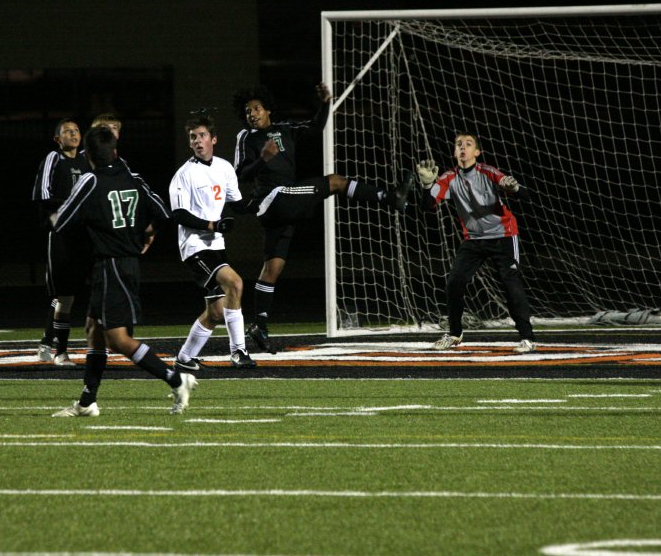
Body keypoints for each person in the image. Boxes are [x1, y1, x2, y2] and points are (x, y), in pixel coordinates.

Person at [233, 82, 414, 352]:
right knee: (336, 182)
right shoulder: (246, 137)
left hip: (283, 208)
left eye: (256, 109)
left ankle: (260, 323)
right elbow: (242, 173)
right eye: (248, 111)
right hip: (273, 198)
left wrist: (326, 103)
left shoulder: (286, 129)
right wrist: (262, 159)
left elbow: (316, 128)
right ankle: (390, 198)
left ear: (268, 109)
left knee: (273, 268)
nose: (252, 114)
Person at [51, 125, 196, 416]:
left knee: (118, 339)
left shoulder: (90, 180)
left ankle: (177, 379)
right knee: (93, 329)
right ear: (115, 152)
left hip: (112, 265)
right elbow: (163, 213)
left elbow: (62, 221)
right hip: (123, 265)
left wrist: (58, 216)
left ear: (88, 155)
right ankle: (87, 402)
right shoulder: (134, 178)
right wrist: (149, 233)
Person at [417, 131, 536, 353]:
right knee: (455, 282)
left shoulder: (488, 172)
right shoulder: (448, 178)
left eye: (468, 144)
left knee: (509, 282)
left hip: (503, 235)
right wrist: (426, 187)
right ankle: (454, 334)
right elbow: (428, 206)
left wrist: (515, 188)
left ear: (477, 152)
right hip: (473, 239)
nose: (463, 147)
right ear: (454, 152)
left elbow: (524, 195)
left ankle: (527, 338)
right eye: (459, 144)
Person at [170, 115, 256, 370]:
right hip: (195, 247)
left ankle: (184, 359)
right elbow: (179, 215)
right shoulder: (184, 174)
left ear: (213, 139)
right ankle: (238, 351)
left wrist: (261, 204)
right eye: (193, 137)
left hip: (216, 246)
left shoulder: (224, 167)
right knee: (236, 283)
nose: (197, 141)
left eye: (202, 136)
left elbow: (238, 204)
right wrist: (213, 225)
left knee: (217, 311)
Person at [32, 118, 90, 366]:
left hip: (84, 234)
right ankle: (60, 351)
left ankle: (48, 342)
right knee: (62, 293)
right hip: (61, 234)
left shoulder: (87, 159)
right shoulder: (54, 159)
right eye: (68, 131)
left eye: (76, 130)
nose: (73, 134)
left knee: (71, 294)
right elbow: (42, 194)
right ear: (58, 139)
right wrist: (66, 210)